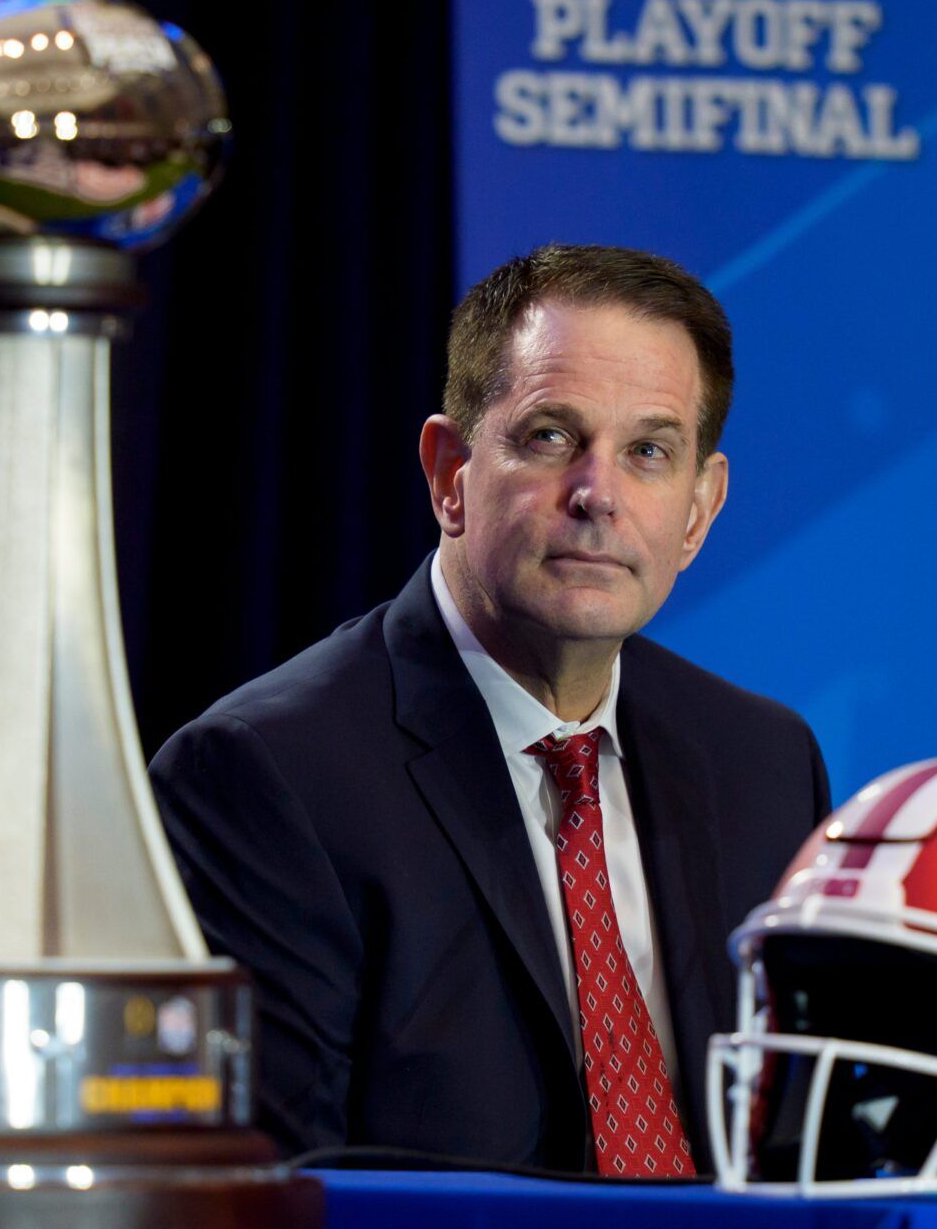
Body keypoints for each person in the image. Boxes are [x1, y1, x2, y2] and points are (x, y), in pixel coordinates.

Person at [149, 243, 828, 1175]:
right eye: (552, 436)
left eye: (649, 453)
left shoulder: (766, 762)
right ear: (449, 473)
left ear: (700, 510)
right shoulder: (266, 774)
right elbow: (280, 1194)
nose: (598, 495)